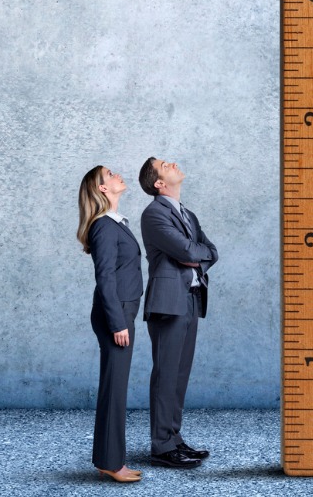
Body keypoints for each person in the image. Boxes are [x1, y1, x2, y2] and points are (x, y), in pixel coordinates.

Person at [138, 157, 218, 468]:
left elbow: (210, 250)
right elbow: (187, 251)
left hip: (191, 299)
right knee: (166, 374)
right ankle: (161, 446)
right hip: (167, 302)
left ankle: (174, 439)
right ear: (158, 183)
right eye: (164, 164)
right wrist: (195, 253)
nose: (172, 163)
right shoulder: (154, 214)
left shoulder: (188, 214)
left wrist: (196, 255)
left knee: (180, 375)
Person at [77, 166, 144, 483]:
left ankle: (109, 458)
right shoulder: (104, 226)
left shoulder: (116, 223)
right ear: (102, 188)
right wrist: (118, 323)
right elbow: (104, 278)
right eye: (111, 174)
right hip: (114, 315)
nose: (118, 176)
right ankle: (111, 462)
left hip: (121, 311)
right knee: (114, 390)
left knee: (114, 387)